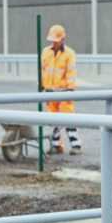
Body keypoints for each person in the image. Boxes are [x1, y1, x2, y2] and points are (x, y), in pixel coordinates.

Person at [41, 24, 80, 154]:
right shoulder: (46, 52)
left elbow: (71, 72)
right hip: (50, 92)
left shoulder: (69, 54)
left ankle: (76, 145)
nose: (54, 43)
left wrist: (70, 89)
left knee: (68, 118)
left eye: (57, 40)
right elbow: (43, 70)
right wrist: (43, 86)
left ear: (63, 39)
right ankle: (56, 145)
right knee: (52, 120)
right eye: (53, 40)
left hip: (64, 91)